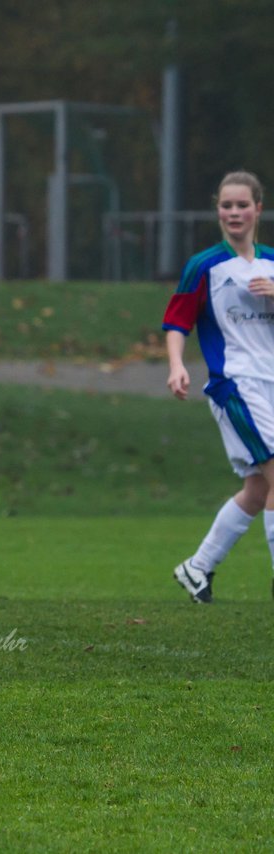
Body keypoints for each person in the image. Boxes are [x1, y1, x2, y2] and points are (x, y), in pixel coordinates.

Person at [163, 169, 274, 603]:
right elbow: (176, 321)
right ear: (217, 211)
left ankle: (198, 567)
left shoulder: (270, 262)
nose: (234, 212)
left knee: (258, 488)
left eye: (242, 204)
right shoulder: (204, 266)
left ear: (258, 209)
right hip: (236, 386)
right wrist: (176, 365)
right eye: (226, 205)